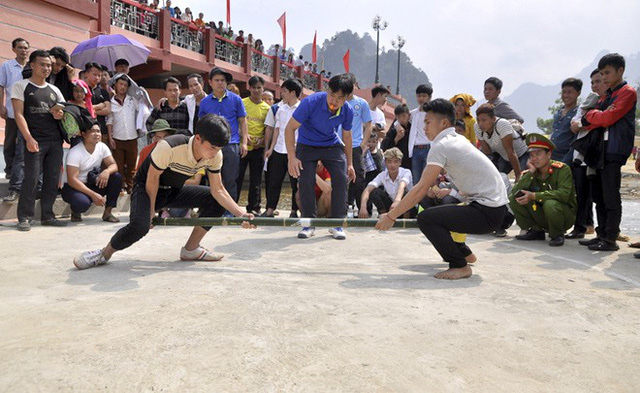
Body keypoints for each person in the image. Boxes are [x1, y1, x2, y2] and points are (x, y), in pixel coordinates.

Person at [73, 114, 255, 270]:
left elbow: (218, 189)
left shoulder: (216, 155)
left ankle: (191, 250)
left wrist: (241, 214)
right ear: (198, 139)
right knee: (140, 226)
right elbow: (152, 179)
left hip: (173, 190)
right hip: (145, 188)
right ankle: (104, 254)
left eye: (219, 149)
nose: (216, 153)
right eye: (213, 148)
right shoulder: (170, 146)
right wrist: (151, 210)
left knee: (214, 200)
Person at [375, 99, 508, 280]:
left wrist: (391, 216)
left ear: (443, 123)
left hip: (487, 211)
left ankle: (460, 266)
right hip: (493, 209)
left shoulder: (441, 145)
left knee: (426, 219)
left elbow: (421, 187)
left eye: (428, 122)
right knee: (437, 212)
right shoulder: (455, 139)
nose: (424, 127)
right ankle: (465, 253)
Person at [577, 53, 637, 252]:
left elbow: (606, 118)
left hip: (614, 150)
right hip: (599, 151)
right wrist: (595, 116)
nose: (604, 77)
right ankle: (601, 234)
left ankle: (610, 238)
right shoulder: (607, 95)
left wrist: (593, 116)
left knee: (610, 194)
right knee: (598, 195)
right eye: (602, 73)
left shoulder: (627, 92)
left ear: (620, 71)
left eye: (607, 73)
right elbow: (591, 117)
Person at [285, 74, 356, 240]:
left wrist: (350, 164)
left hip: (331, 144)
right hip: (307, 144)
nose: (334, 100)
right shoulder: (311, 103)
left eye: (340, 98)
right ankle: (309, 223)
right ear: (326, 90)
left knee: (340, 177)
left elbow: (347, 137)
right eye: (331, 94)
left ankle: (337, 223)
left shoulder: (347, 111)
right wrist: (291, 157)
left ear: (347, 98)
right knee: (306, 179)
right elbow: (289, 129)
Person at [12, 50, 67, 231]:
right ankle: (25, 217)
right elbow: (19, 115)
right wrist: (28, 138)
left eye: (49, 65)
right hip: (34, 140)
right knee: (32, 178)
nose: (47, 68)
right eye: (42, 64)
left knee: (52, 179)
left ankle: (48, 216)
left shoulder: (55, 90)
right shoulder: (21, 86)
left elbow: (63, 113)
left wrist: (60, 114)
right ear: (32, 65)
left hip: (55, 141)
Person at [510, 134, 577, 246]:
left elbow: (564, 194)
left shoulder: (562, 169)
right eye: (531, 155)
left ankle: (557, 234)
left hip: (563, 216)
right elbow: (515, 192)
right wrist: (530, 172)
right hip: (542, 215)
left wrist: (534, 196)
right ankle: (536, 230)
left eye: (538, 154)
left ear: (549, 154)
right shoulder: (530, 173)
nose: (534, 158)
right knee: (514, 198)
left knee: (550, 203)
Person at [199, 67, 248, 202]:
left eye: (222, 80)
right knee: (212, 178)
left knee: (231, 179)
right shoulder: (205, 102)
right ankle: (213, 208)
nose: (220, 83)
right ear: (210, 82)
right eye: (217, 80)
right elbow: (201, 124)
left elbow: (243, 121)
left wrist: (244, 143)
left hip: (231, 144)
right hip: (211, 146)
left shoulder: (236, 99)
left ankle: (230, 211)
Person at [566, 69, 605, 239]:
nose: (595, 85)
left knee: (599, 196)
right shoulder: (588, 102)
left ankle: (604, 232)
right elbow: (574, 125)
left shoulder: (608, 102)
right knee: (581, 193)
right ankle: (580, 227)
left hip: (598, 154)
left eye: (598, 81)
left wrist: (584, 123)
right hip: (581, 154)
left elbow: (601, 122)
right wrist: (585, 122)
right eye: (593, 82)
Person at [62, 123, 122, 223]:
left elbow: (114, 165)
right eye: (92, 131)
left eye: (98, 131)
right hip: (74, 187)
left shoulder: (102, 147)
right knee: (82, 204)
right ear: (84, 134)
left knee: (116, 177)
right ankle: (75, 210)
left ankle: (107, 213)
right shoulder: (75, 152)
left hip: (92, 182)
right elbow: (72, 180)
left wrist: (106, 171)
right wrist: (93, 195)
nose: (96, 134)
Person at [1, 38, 29, 203]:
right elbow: (1, 86)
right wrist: (0, 106)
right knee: (10, 142)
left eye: (25, 47)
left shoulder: (33, 66)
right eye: (19, 47)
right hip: (11, 111)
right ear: (14, 49)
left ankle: (18, 175)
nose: (23, 50)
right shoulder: (7, 66)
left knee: (22, 147)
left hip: (28, 114)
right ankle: (10, 170)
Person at [238, 76, 271, 214]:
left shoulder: (267, 108)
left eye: (259, 87)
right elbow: (237, 123)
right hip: (242, 146)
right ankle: (232, 205)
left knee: (256, 180)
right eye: (254, 87)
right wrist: (244, 136)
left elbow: (269, 129)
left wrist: (262, 141)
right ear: (249, 88)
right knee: (237, 178)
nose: (256, 90)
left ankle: (254, 207)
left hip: (259, 149)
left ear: (263, 89)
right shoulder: (242, 103)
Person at [474, 103, 529, 181]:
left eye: (484, 120)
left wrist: (518, 175)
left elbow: (511, 151)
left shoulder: (502, 124)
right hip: (505, 157)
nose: (480, 124)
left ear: (493, 119)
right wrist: (481, 136)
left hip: (521, 154)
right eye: (478, 120)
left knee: (523, 181)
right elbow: (487, 151)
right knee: (496, 179)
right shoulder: (477, 127)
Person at [107, 73, 140, 193]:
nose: (123, 87)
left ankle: (131, 187)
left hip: (132, 137)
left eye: (125, 85)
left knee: (132, 165)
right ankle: (120, 187)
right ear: (115, 85)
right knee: (118, 166)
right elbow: (109, 121)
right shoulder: (111, 102)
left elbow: (143, 109)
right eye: (120, 84)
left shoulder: (133, 100)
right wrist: (110, 138)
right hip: (117, 138)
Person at [359, 147, 413, 218]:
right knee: (375, 192)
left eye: (395, 162)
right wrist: (363, 207)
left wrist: (397, 201)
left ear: (400, 162)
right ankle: (384, 216)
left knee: (406, 193)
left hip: (406, 207)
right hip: (391, 207)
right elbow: (368, 189)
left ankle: (406, 221)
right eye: (389, 162)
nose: (392, 165)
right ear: (385, 163)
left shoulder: (406, 172)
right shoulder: (382, 175)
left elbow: (402, 185)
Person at [550, 78, 582, 164]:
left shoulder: (578, 114)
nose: (566, 95)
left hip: (566, 158)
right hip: (552, 157)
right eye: (564, 92)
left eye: (569, 92)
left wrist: (566, 161)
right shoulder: (558, 113)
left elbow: (576, 139)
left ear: (578, 93)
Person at [407, 84, 433, 184]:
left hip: (429, 148)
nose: (421, 99)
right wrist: (398, 126)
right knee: (416, 180)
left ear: (429, 97)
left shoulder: (434, 114)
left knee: (427, 180)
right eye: (419, 96)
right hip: (416, 149)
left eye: (424, 96)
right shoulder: (413, 113)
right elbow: (399, 120)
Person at [85, 62, 111, 140]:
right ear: (87, 74)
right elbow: (82, 108)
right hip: (86, 131)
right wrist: (100, 106)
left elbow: (107, 110)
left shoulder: (103, 92)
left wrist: (92, 111)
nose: (97, 78)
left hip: (102, 131)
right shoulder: (81, 90)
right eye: (94, 75)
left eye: (99, 75)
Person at [381, 104, 412, 170]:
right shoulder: (394, 130)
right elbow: (385, 147)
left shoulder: (413, 127)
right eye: (399, 117)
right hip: (397, 162)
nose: (402, 119)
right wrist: (396, 139)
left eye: (404, 116)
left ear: (408, 115)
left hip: (412, 161)